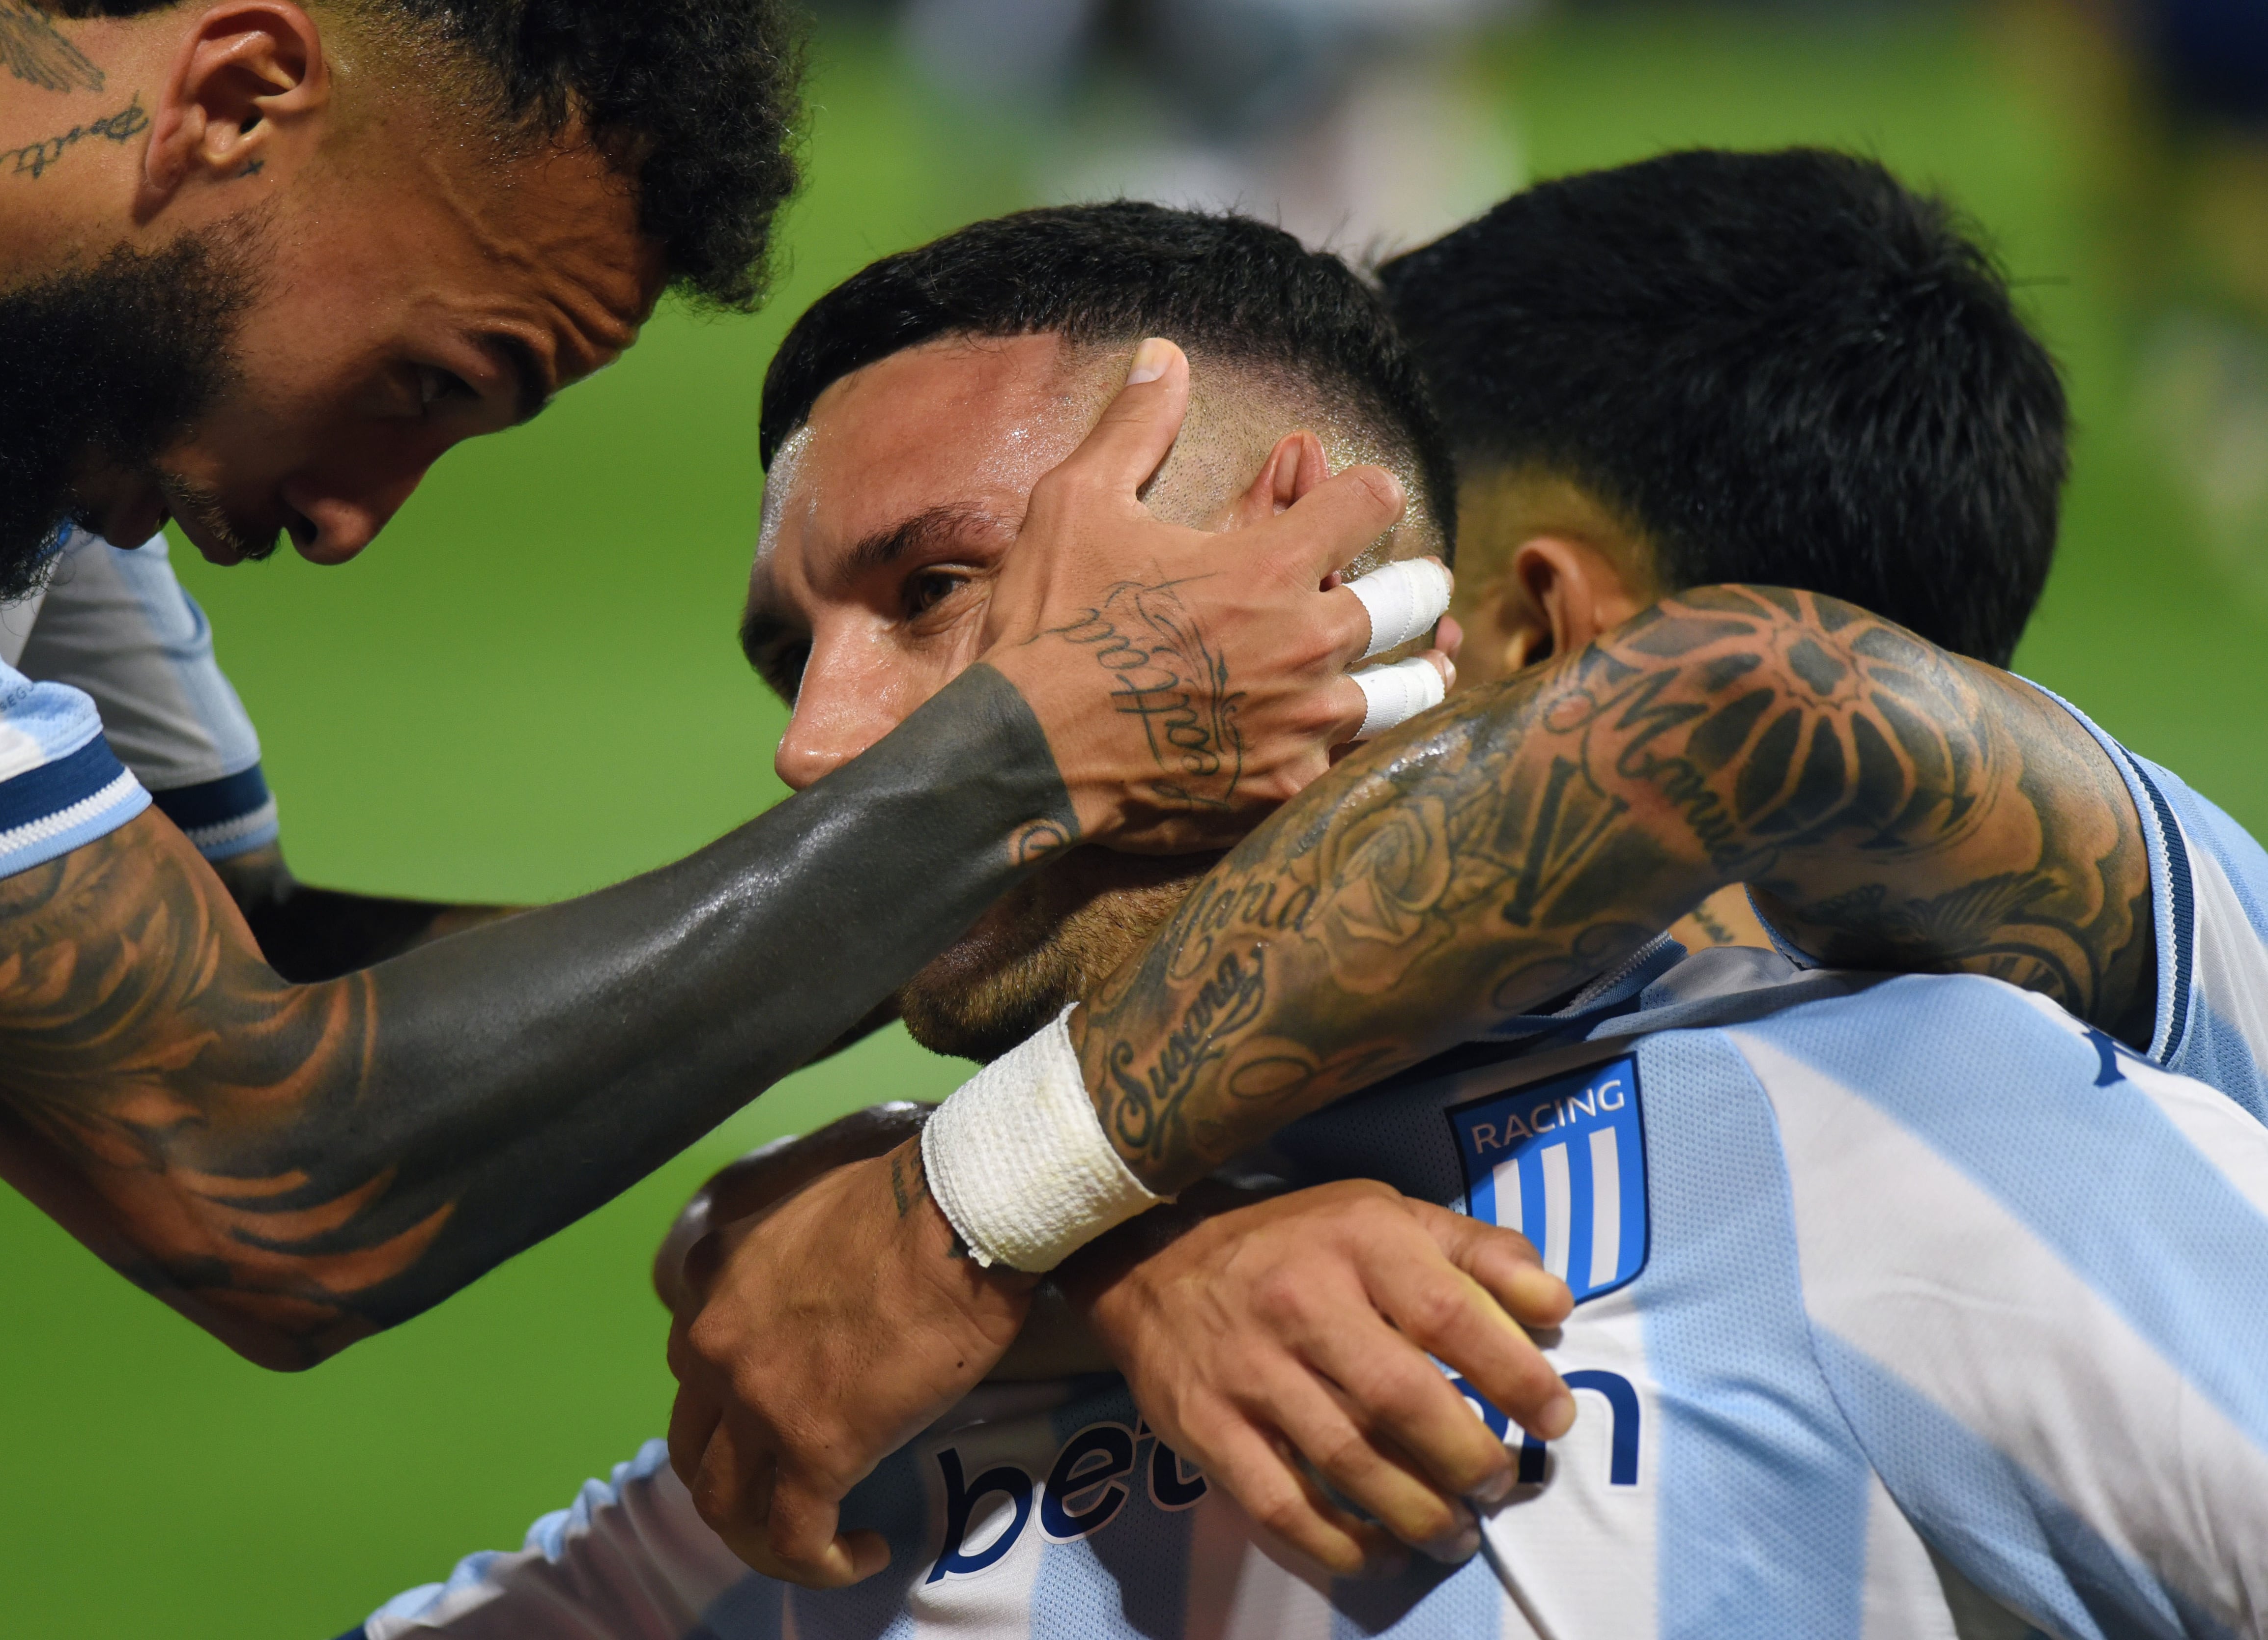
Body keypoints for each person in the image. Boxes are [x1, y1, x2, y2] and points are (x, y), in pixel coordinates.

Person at [365, 185, 2268, 1637]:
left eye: (938, 590)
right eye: (793, 652)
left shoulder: (1908, 1129)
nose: (819, 747)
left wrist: (974, 1197)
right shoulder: (861, 1343)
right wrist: (1056, 1253)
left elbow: (1741, 707)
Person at [0, 0, 1417, 1390]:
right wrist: (1033, 755)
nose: (351, 524)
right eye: (425, 384)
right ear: (235, 101)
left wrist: (1004, 910)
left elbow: (234, 963)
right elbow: (257, 1156)